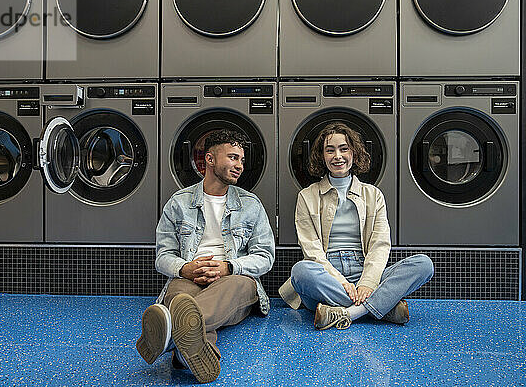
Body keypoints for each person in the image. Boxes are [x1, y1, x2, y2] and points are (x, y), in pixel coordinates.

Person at [136, 129, 275, 383]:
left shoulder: (251, 204)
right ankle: (191, 348)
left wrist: (228, 267)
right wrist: (185, 268)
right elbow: (163, 255)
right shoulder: (179, 202)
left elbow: (265, 256)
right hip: (190, 276)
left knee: (238, 284)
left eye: (241, 160)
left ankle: (168, 337)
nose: (239, 166)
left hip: (233, 279)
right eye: (233, 158)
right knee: (180, 296)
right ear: (209, 160)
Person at [279, 122, 434, 330]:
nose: (338, 156)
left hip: (365, 269)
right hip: (326, 277)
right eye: (330, 150)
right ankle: (381, 308)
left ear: (354, 153)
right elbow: (311, 250)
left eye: (344, 149)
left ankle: (348, 313)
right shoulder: (307, 196)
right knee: (301, 271)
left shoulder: (373, 194)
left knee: (423, 264)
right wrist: (342, 283)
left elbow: (380, 244)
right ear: (321, 155)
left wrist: (368, 283)